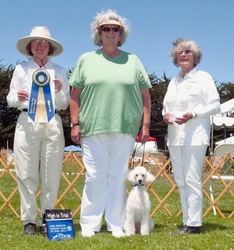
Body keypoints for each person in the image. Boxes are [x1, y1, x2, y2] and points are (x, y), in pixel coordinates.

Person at [69, 9, 152, 238]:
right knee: (95, 176)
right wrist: (74, 124)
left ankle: (116, 223)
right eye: (106, 28)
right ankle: (90, 223)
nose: (111, 32)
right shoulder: (86, 59)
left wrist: (145, 126)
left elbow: (145, 96)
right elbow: (74, 95)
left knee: (117, 175)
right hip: (92, 126)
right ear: (99, 33)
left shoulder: (133, 60)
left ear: (121, 34)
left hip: (125, 127)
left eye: (116, 29)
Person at [6, 26, 70, 236]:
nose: (40, 46)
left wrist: (59, 91)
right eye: (36, 42)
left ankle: (47, 218)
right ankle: (29, 221)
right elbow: (10, 99)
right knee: (25, 173)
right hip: (27, 120)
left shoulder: (60, 71)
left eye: (44, 42)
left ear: (50, 47)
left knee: (51, 173)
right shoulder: (21, 69)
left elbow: (64, 104)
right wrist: (20, 98)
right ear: (30, 46)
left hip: (52, 122)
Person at [162, 38, 220, 235]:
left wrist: (193, 114)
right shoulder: (174, 81)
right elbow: (166, 106)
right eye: (180, 52)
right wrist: (166, 115)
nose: (184, 55)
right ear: (175, 58)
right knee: (180, 180)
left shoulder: (204, 78)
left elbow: (215, 104)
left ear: (195, 56)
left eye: (188, 51)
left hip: (195, 136)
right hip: (175, 136)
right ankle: (186, 221)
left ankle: (194, 224)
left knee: (191, 178)